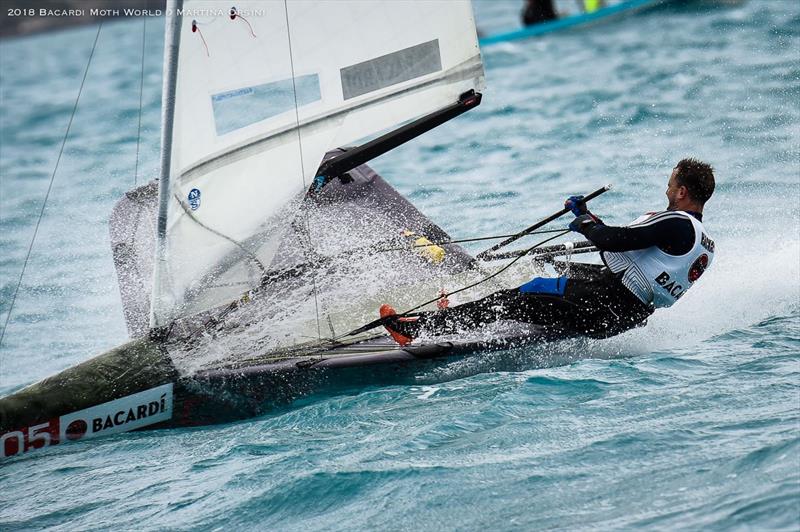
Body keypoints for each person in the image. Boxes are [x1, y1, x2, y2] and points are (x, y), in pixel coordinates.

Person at [380, 158, 716, 346]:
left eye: (671, 183)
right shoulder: (700, 239)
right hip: (626, 315)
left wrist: (585, 223)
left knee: (525, 293)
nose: (667, 187)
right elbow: (625, 252)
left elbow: (612, 241)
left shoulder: (677, 224)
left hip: (605, 303)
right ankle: (457, 317)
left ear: (682, 190)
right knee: (556, 277)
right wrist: (586, 218)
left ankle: (418, 329)